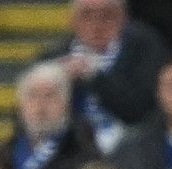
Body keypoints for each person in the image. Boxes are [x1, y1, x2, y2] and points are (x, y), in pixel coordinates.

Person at [42, 0, 163, 155]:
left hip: (132, 146)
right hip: (71, 152)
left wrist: (94, 77)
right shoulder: (53, 58)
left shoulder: (145, 48)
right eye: (86, 15)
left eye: (107, 15)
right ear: (72, 20)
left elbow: (141, 111)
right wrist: (57, 81)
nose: (96, 25)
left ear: (123, 18)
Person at [4, 62, 98, 169]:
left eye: (50, 96)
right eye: (32, 96)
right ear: (20, 107)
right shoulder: (4, 154)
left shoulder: (84, 156)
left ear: (66, 105)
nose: (40, 105)